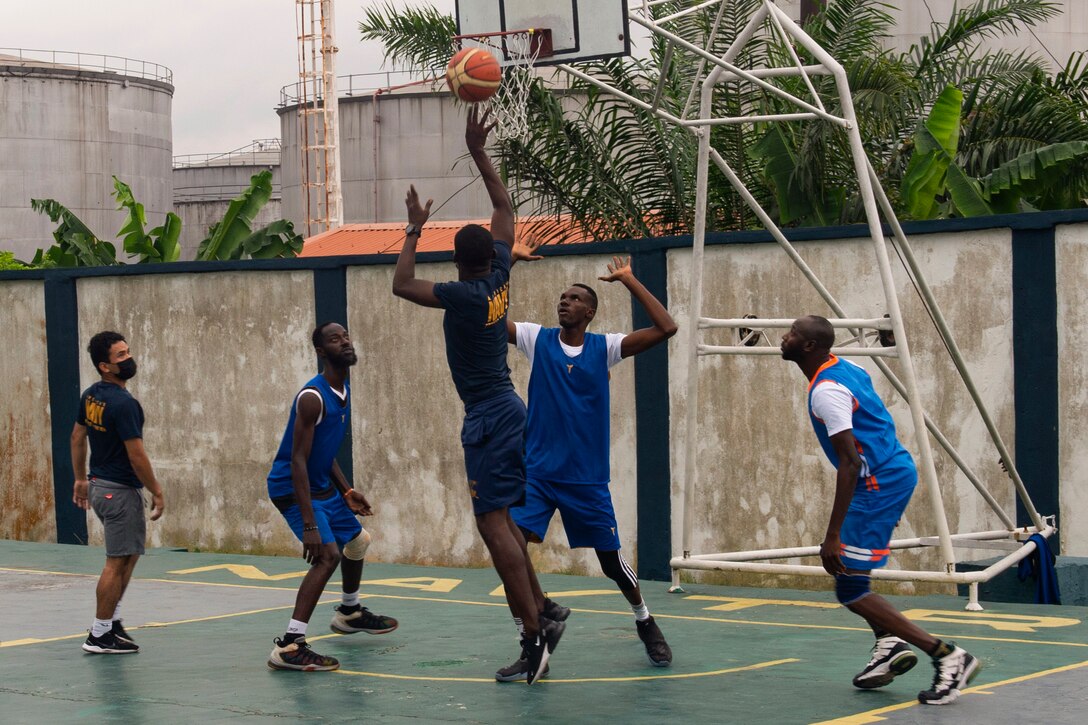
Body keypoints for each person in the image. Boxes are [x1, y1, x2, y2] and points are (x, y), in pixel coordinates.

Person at [392, 106, 562, 685]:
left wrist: (414, 226)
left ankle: (534, 637)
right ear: (490, 256)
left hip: (489, 417)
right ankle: (546, 610)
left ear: (457, 262)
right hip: (509, 409)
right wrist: (478, 149)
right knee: (506, 523)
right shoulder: (499, 277)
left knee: (493, 528)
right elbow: (504, 208)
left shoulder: (464, 295)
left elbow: (400, 284)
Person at [780, 315, 980, 705]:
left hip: (876, 484)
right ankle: (888, 644)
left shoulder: (827, 391)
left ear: (808, 347)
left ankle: (949, 656)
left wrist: (832, 535)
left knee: (851, 587)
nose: (783, 338)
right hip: (890, 470)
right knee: (856, 575)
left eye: (792, 334)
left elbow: (850, 462)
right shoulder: (848, 367)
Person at [498, 256, 678, 679]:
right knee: (510, 552)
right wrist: (504, 265)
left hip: (586, 479)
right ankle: (533, 639)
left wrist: (631, 279)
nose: (565, 302)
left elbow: (667, 327)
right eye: (562, 297)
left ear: (590, 312)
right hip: (538, 475)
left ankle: (645, 620)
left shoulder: (606, 347)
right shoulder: (535, 338)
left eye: (575, 298)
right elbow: (490, 320)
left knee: (612, 563)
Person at [266, 322, 397, 672]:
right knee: (327, 555)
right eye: (335, 339)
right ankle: (290, 645)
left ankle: (349, 612)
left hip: (322, 486)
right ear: (322, 352)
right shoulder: (312, 397)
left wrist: (347, 489)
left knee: (358, 541)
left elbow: (324, 451)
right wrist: (309, 523)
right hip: (292, 489)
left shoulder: (343, 389)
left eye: (346, 336)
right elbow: (297, 461)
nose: (345, 342)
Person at [71, 330, 165, 654]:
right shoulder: (124, 404)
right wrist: (157, 490)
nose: (128, 359)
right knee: (116, 562)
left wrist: (81, 480)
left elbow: (76, 437)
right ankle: (99, 634)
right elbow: (136, 455)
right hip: (119, 492)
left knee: (129, 555)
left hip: (100, 487)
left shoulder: (91, 396)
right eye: (120, 356)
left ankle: (111, 621)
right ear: (104, 366)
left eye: (127, 352)